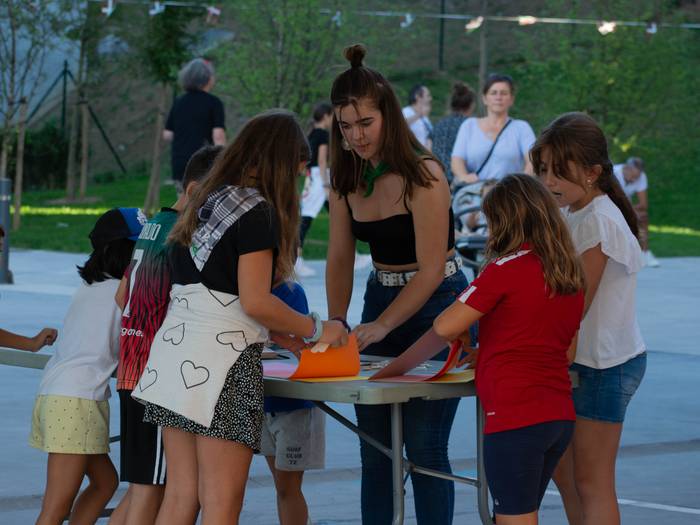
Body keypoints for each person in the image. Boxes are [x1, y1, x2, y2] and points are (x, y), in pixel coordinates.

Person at [132, 110, 347, 525]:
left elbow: (215, 291)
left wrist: (278, 333)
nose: (302, 184)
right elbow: (255, 300)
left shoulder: (203, 202)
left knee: (180, 496)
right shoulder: (258, 212)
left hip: (173, 361)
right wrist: (321, 328)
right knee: (222, 503)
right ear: (281, 164)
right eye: (301, 172)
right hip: (223, 370)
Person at [326, 44, 469, 525]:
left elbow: (430, 271)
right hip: (379, 295)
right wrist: (336, 319)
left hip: (438, 304)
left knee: (426, 446)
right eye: (345, 126)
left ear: (387, 113)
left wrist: (383, 325)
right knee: (376, 448)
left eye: (365, 123)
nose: (356, 136)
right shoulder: (345, 176)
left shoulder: (425, 174)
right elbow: (340, 255)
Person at [434, 174, 585, 525]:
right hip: (557, 415)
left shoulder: (504, 269)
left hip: (514, 417)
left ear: (505, 221)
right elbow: (565, 352)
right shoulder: (568, 273)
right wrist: (492, 349)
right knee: (523, 511)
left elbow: (445, 326)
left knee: (514, 517)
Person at [532, 112, 647, 525]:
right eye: (543, 170)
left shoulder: (598, 219)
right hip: (582, 361)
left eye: (560, 173)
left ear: (594, 172)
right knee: (565, 473)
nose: (548, 182)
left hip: (605, 365)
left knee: (592, 481)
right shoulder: (572, 211)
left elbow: (574, 306)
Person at [108, 146, 222, 525]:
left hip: (130, 367)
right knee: (154, 489)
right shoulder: (181, 235)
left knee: (145, 484)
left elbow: (122, 295)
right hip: (153, 378)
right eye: (215, 199)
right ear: (192, 192)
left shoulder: (152, 225)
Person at [29, 207, 145, 525]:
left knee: (105, 482)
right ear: (118, 249)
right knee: (54, 508)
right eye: (138, 247)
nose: (144, 255)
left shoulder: (92, 286)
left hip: (62, 394)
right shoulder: (122, 293)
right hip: (76, 401)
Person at [261, 281, 326, 525]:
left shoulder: (290, 292)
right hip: (264, 401)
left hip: (293, 405)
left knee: (288, 487)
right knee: (281, 486)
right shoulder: (237, 285)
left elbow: (301, 340)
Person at [450, 74, 535, 183]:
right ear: (485, 99)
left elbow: (533, 160)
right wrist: (464, 176)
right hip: (475, 192)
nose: (498, 97)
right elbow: (457, 159)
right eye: (493, 93)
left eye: (504, 93)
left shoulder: (522, 128)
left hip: (510, 193)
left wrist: (523, 182)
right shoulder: (469, 126)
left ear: (511, 99)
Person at [163, 58, 226, 192]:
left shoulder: (179, 102)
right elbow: (218, 136)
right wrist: (225, 161)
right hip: (203, 163)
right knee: (204, 206)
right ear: (208, 78)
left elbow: (167, 135)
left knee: (183, 204)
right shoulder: (213, 103)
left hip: (180, 163)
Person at [296, 103, 332, 278]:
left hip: (312, 177)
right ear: (326, 116)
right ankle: (296, 261)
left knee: (336, 214)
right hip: (320, 178)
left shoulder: (310, 134)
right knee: (306, 219)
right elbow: (322, 160)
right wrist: (326, 184)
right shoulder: (323, 135)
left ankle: (353, 255)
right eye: (332, 116)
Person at [613, 157, 659, 267]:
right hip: (610, 205)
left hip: (626, 208)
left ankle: (645, 253)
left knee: (643, 216)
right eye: (633, 177)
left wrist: (629, 210)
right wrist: (628, 210)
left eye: (637, 177)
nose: (634, 180)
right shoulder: (613, 173)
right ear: (626, 168)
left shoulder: (641, 177)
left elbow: (643, 205)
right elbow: (612, 201)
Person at [431, 82, 475, 186]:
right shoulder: (471, 126)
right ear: (471, 105)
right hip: (460, 180)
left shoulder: (439, 124)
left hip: (437, 178)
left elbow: (428, 148)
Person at [402, 84, 433, 150]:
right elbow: (399, 125)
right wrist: (419, 115)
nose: (430, 99)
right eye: (427, 96)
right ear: (418, 97)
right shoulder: (406, 111)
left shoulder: (424, 117)